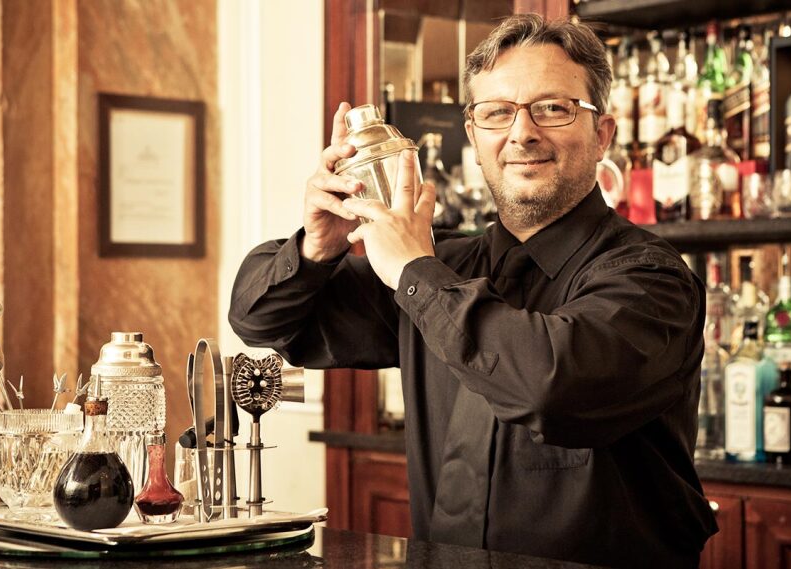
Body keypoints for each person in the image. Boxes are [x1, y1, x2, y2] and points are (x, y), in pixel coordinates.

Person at [229, 14, 717, 568]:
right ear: (473, 136)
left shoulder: (651, 278)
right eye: (496, 112)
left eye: (551, 108)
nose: (521, 133)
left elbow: (551, 386)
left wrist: (414, 273)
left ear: (602, 133)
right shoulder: (441, 266)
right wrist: (317, 247)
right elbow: (260, 319)